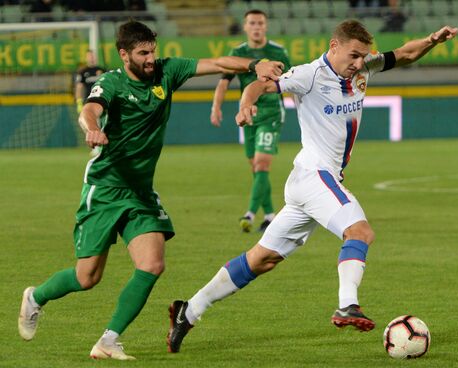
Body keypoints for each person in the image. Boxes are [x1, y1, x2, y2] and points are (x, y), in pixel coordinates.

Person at [166, 20, 458, 353]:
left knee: (261, 259)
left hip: (313, 183)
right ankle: (347, 304)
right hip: (314, 175)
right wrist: (246, 103)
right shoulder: (309, 74)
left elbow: (405, 54)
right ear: (334, 46)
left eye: (364, 56)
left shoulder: (363, 69)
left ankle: (188, 310)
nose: (360, 62)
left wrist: (433, 40)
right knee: (359, 232)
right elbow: (259, 85)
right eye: (354, 55)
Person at [17, 20, 283, 361]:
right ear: (123, 53)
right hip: (105, 188)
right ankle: (35, 297)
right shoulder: (111, 83)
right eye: (142, 53)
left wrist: (253, 65)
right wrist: (93, 129)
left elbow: (216, 64)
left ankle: (108, 340)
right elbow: (89, 110)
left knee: (153, 264)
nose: (150, 59)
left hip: (141, 192)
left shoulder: (166, 72)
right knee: (87, 277)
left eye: (152, 51)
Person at [210, 9, 291, 233]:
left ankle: (250, 213)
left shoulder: (278, 52)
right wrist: (216, 106)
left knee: (262, 164)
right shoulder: (238, 53)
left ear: (265, 26)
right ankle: (271, 216)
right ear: (245, 27)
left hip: (272, 112)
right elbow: (224, 81)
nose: (256, 27)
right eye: (252, 23)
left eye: (260, 23)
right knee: (255, 168)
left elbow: (291, 82)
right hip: (248, 115)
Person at [74, 50, 106, 114]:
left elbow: (108, 85)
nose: (91, 58)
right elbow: (79, 87)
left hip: (102, 100)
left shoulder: (102, 70)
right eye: (89, 56)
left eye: (93, 56)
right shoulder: (82, 72)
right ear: (86, 58)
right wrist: (79, 103)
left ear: (96, 57)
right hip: (89, 101)